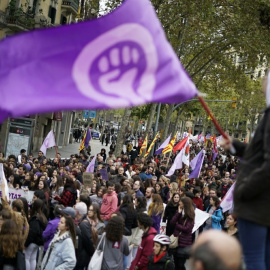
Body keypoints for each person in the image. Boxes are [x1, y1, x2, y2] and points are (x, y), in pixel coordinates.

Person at [170, 197, 195, 270]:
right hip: (176, 240)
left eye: (180, 202)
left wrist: (177, 225)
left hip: (184, 242)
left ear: (184, 204)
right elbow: (172, 222)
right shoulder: (179, 212)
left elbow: (187, 229)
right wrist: (178, 213)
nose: (179, 203)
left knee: (180, 264)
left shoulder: (190, 214)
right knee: (175, 262)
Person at [25, 199, 48, 270]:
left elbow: (33, 232)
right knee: (33, 258)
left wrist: (26, 243)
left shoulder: (36, 218)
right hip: (38, 242)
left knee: (27, 257)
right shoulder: (43, 217)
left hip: (33, 241)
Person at [74, 202, 95, 270]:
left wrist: (92, 254)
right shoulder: (81, 222)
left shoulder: (83, 224)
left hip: (81, 258)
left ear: (77, 212)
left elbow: (88, 241)